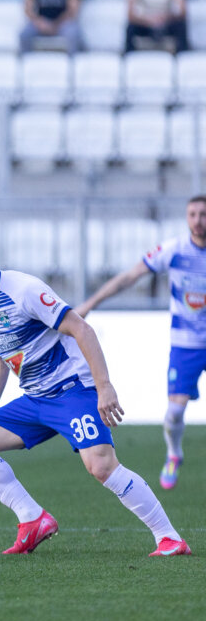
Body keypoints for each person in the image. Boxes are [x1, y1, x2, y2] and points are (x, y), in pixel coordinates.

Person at [0, 222, 189, 557]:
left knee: (101, 465)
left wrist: (104, 387)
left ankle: (169, 537)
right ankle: (32, 519)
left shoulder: (23, 290)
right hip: (35, 399)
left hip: (73, 390)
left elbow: (82, 329)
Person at [75, 196, 206, 490]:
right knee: (174, 413)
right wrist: (91, 303)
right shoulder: (174, 250)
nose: (198, 220)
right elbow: (130, 276)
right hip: (185, 345)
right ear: (187, 218)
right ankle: (174, 454)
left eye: (203, 214)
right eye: (193, 214)